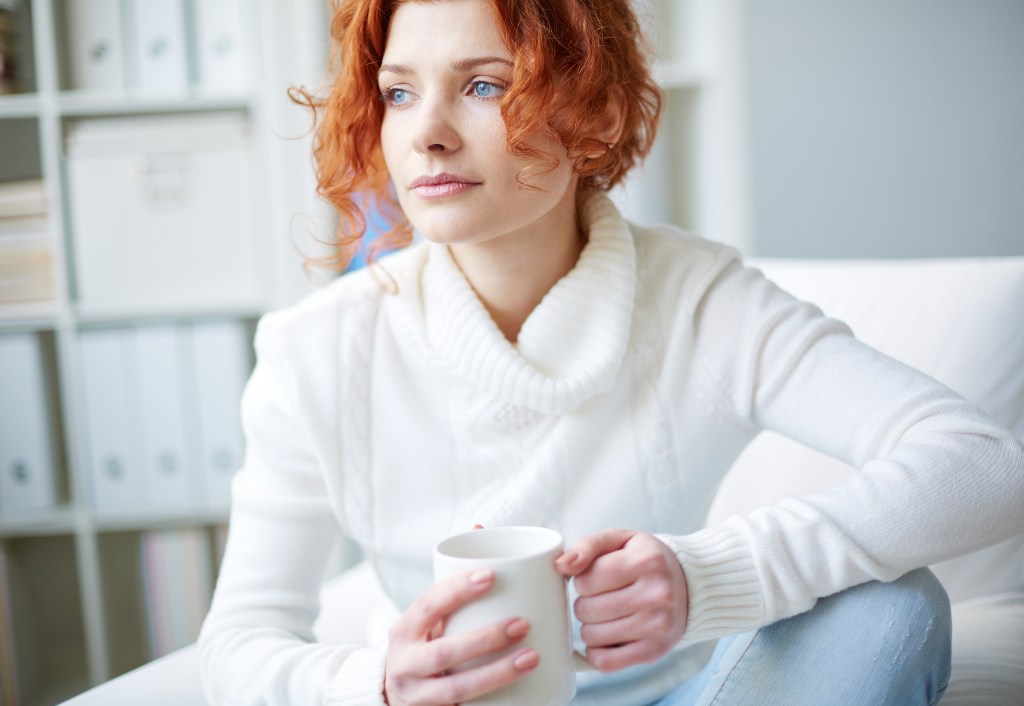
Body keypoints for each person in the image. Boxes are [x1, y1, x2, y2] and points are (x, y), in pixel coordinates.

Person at [197, 0, 1024, 704]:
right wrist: (377, 682)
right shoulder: (317, 349)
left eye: (483, 85)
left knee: (894, 608)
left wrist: (711, 578)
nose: (428, 135)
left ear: (590, 110)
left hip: (698, 694)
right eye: (400, 94)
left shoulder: (701, 300)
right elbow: (235, 641)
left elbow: (985, 464)